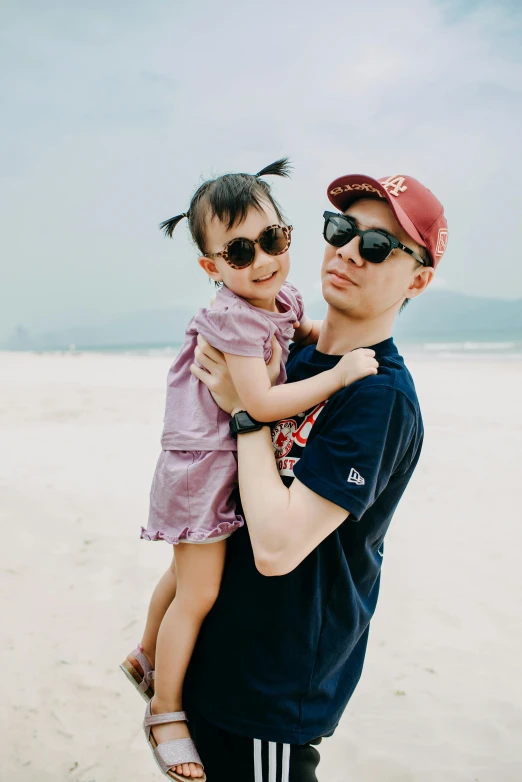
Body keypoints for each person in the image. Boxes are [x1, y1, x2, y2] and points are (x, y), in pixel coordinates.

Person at [119, 160, 378, 781]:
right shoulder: (233, 316)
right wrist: (336, 375)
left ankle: (147, 652)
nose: (262, 260)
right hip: (201, 465)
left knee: (187, 571)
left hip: (207, 460)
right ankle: (165, 709)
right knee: (200, 589)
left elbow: (294, 329)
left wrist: (321, 336)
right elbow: (257, 404)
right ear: (212, 267)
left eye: (273, 240)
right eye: (239, 251)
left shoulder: (275, 298)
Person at [185, 172, 448, 781]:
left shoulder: (379, 398)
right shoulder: (290, 359)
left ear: (418, 279)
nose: (350, 251)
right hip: (208, 665)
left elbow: (278, 548)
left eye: (380, 246)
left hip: (268, 698)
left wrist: (246, 415)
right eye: (341, 230)